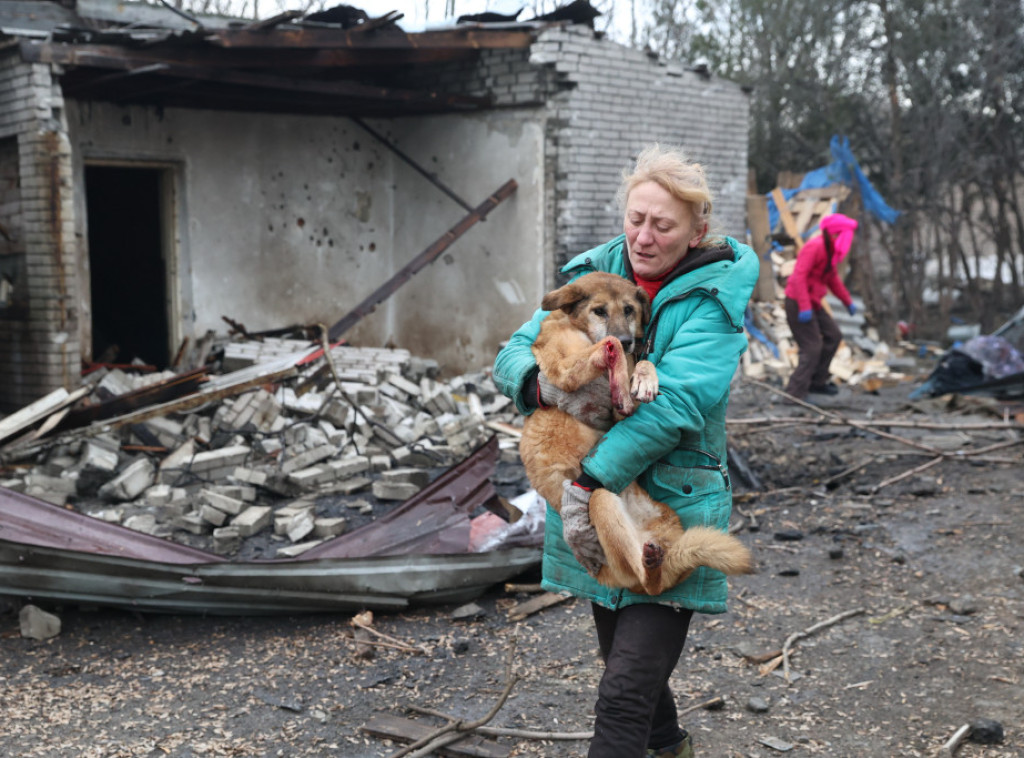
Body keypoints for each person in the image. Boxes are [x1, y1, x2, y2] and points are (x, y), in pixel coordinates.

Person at [493, 144, 759, 758]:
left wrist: (587, 482)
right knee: (627, 668)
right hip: (591, 506)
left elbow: (677, 408)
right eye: (635, 219)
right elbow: (514, 349)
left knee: (621, 693)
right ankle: (672, 749)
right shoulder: (595, 272)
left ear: (698, 229)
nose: (643, 236)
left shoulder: (713, 303)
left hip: (666, 504)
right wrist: (542, 386)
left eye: (662, 225)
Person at [782, 213, 860, 400]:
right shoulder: (814, 247)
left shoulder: (829, 250)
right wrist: (804, 306)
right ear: (835, 234)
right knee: (812, 347)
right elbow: (799, 276)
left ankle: (817, 383)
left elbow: (831, 278)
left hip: (814, 302)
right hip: (798, 302)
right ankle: (794, 392)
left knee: (834, 336)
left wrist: (847, 301)